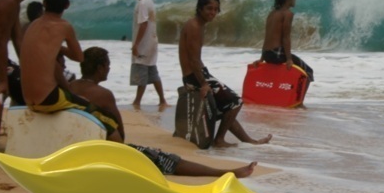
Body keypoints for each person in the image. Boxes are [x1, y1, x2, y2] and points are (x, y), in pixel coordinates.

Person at [70, 47, 256, 178]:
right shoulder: (103, 95)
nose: (109, 68)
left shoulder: (69, 88)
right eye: (108, 65)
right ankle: (224, 173)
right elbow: (121, 134)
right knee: (170, 160)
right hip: (109, 155)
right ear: (101, 67)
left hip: (76, 151)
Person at [19, 0, 122, 142]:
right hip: (48, 98)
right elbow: (79, 57)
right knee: (106, 117)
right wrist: (60, 48)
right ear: (67, 5)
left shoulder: (32, 26)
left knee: (77, 99)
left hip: (27, 97)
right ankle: (119, 147)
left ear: (44, 3)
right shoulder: (64, 26)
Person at [179, 0, 272, 148]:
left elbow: (195, 59)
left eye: (216, 10)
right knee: (235, 102)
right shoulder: (194, 26)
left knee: (227, 106)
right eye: (209, 8)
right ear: (200, 8)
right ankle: (219, 140)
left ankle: (249, 141)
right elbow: (193, 59)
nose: (213, 13)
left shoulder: (197, 25)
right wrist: (203, 83)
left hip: (197, 74)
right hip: (194, 77)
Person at [130, 0, 169, 112]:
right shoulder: (150, 2)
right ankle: (162, 100)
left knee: (141, 72)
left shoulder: (142, 4)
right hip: (152, 43)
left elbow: (143, 24)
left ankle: (137, 101)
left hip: (144, 45)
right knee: (152, 72)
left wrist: (136, 45)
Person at [260, 0, 314, 82]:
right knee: (308, 72)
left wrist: (262, 58)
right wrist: (289, 59)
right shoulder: (287, 14)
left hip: (267, 54)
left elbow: (267, 37)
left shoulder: (272, 13)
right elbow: (286, 38)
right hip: (277, 54)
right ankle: (297, 96)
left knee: (286, 71)